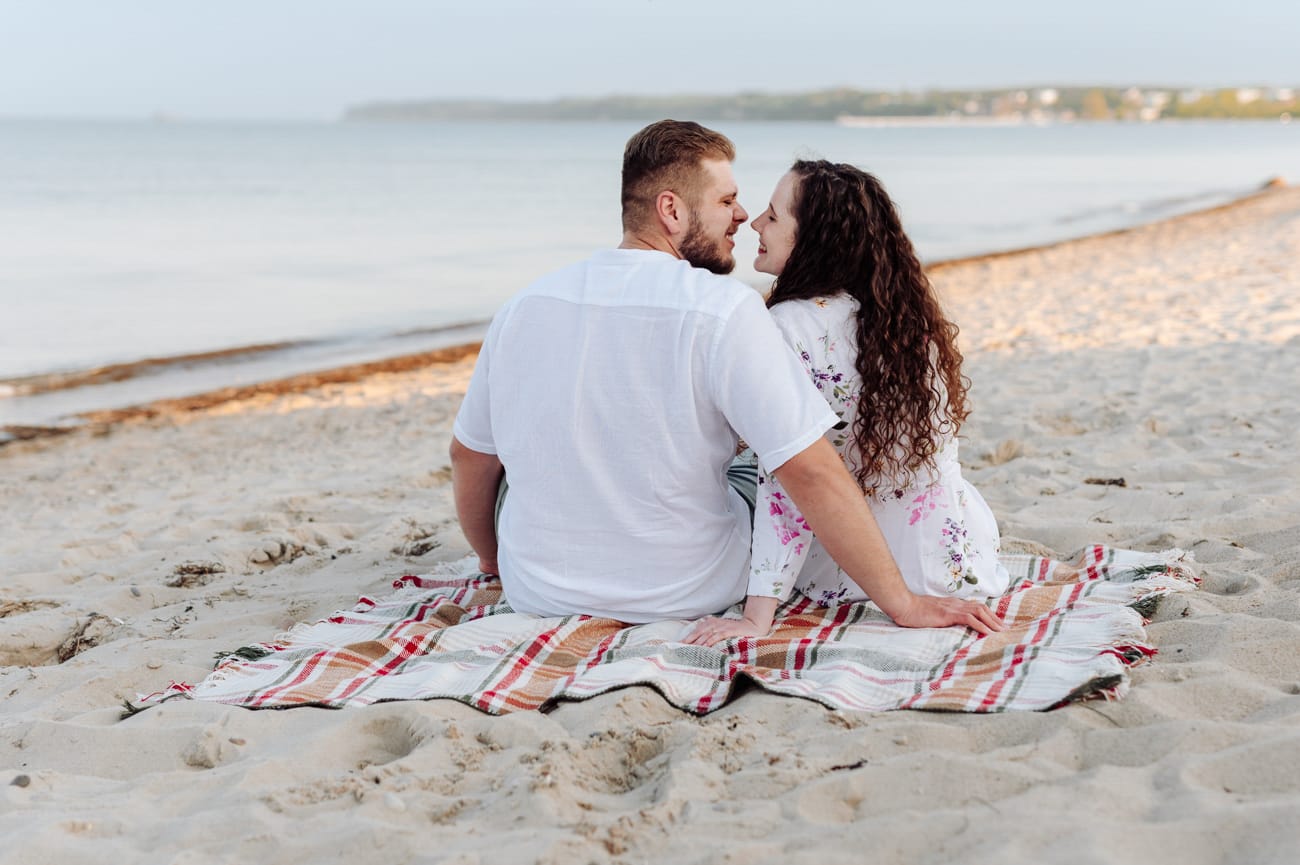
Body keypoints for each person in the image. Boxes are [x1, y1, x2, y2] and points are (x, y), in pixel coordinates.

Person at [450, 121, 1003, 635]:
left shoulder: (524, 306)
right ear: (671, 210)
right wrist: (903, 604)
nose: (742, 216)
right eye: (726, 200)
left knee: (518, 453)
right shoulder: (722, 308)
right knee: (755, 450)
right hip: (688, 588)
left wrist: (492, 562)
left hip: (540, 590)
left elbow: (469, 458)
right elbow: (810, 472)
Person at [685, 160, 1010, 646]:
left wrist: (757, 617)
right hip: (958, 562)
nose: (754, 224)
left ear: (813, 239)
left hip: (849, 578)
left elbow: (790, 485)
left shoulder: (784, 327)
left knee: (734, 469)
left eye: (773, 217)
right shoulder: (904, 321)